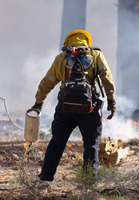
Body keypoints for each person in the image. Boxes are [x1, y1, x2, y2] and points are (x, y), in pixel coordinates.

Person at [31, 29, 116, 181]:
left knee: (57, 141)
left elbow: (46, 83)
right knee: (91, 144)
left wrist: (38, 103)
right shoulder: (96, 55)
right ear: (87, 42)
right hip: (89, 108)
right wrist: (111, 100)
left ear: (68, 42)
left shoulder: (61, 58)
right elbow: (107, 79)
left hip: (65, 107)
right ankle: (88, 180)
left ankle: (45, 177)